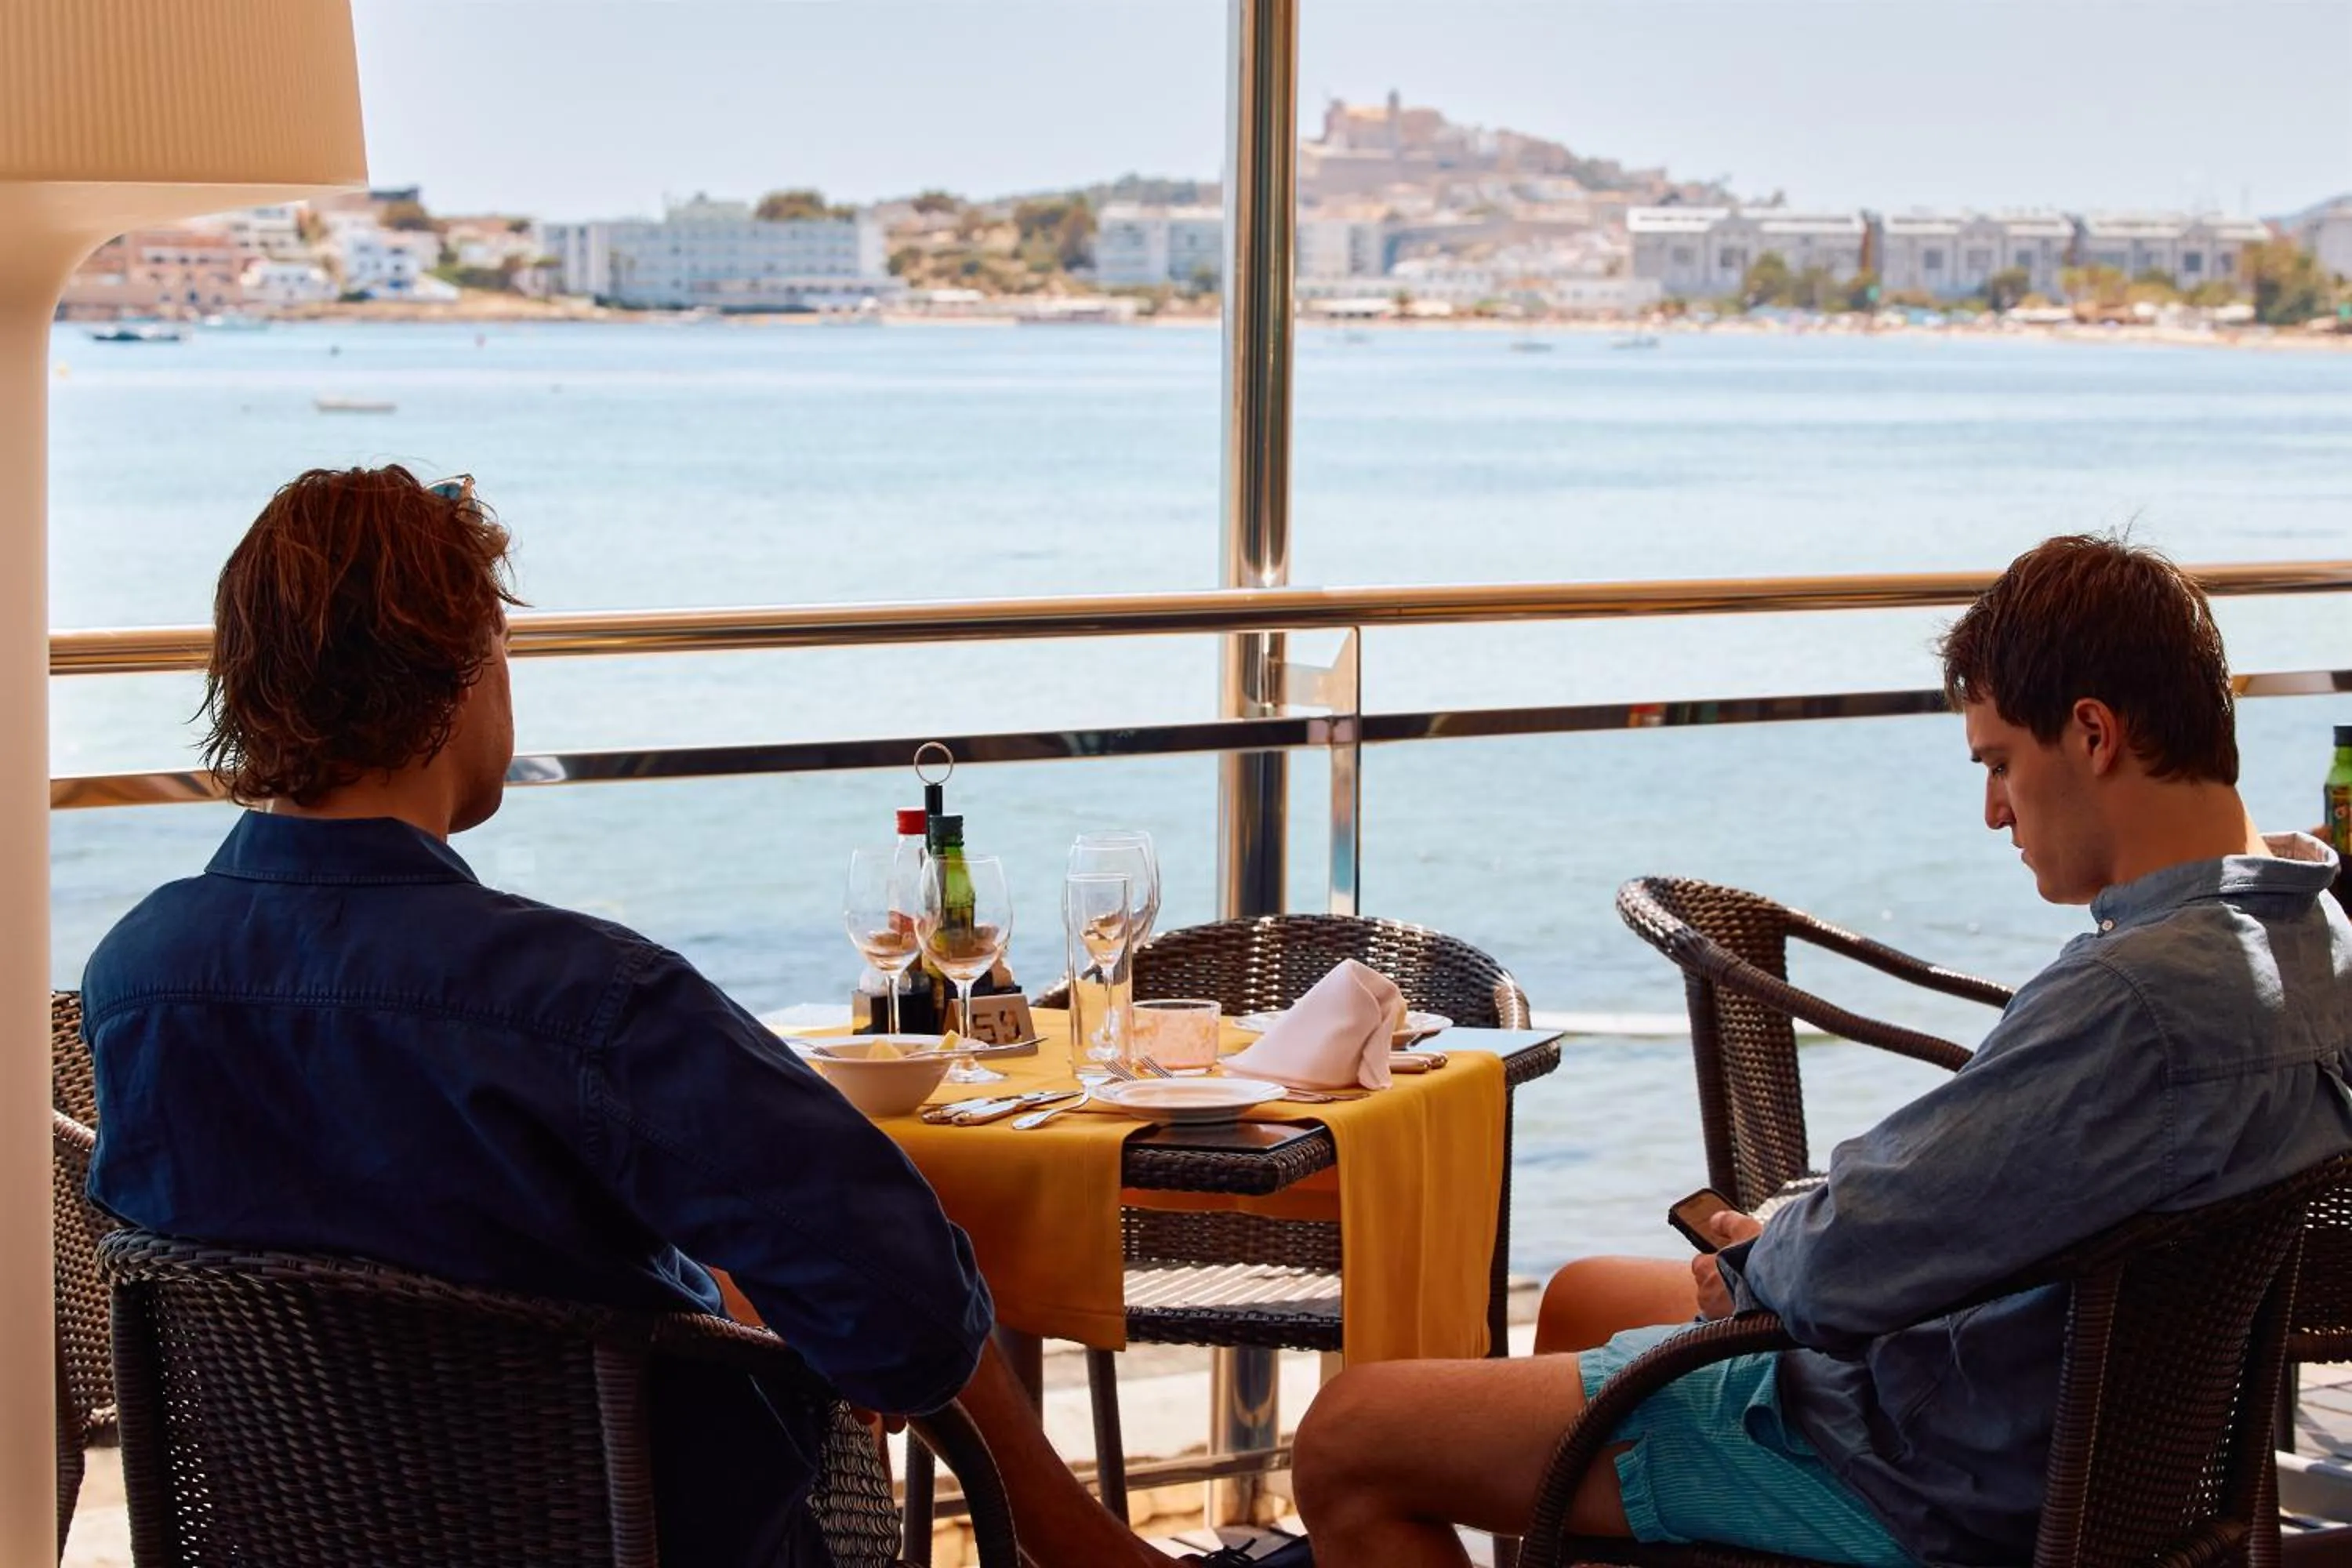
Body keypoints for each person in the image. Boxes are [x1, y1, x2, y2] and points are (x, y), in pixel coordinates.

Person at [79, 465, 1171, 1568]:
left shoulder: (136, 979)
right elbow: (912, 1312)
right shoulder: (582, 1000)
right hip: (637, 1534)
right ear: (459, 676)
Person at [1290, 533, 2352, 1566]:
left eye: (1999, 763)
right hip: (2106, 1438)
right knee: (1580, 1297)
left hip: (1934, 1468)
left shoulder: (2136, 1001)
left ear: (2090, 733)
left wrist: (1767, 1260)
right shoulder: (2312, 935)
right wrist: (1788, 1251)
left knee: (1352, 1437)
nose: (1994, 811)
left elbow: (1854, 1264)